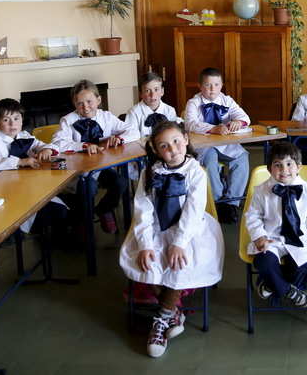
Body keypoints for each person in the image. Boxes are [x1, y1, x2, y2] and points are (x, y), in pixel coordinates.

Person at [119, 121, 224, 358]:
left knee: (180, 262)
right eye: (164, 146)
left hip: (190, 229)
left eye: (176, 142)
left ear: (186, 140)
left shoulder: (195, 171)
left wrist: (179, 242)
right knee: (146, 260)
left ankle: (161, 319)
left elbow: (194, 210)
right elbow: (142, 210)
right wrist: (145, 244)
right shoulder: (149, 173)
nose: (173, 149)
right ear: (156, 150)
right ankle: (174, 312)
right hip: (156, 228)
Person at [244, 142, 307, 308]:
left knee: (303, 265)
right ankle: (288, 291)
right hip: (270, 238)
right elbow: (253, 216)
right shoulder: (261, 190)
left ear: (298, 167)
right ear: (269, 169)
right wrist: (259, 236)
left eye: (289, 164)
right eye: (278, 165)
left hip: (298, 238)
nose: (284, 170)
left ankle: (271, 285)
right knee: (263, 262)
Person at [52, 79, 140, 234]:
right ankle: (83, 221)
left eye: (89, 101)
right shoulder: (68, 120)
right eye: (80, 103)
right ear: (74, 103)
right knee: (88, 187)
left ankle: (104, 209)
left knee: (120, 182)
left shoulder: (106, 117)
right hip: (79, 171)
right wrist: (83, 146)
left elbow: (133, 131)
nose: (85, 107)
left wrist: (120, 139)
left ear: (98, 100)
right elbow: (58, 143)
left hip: (101, 167)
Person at [0, 98, 67, 234]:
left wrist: (47, 150)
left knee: (61, 208)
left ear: (22, 120)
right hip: (5, 193)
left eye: (16, 118)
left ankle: (52, 238)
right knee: (53, 213)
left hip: (28, 187)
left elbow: (42, 145)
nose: (12, 124)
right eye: (6, 120)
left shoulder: (24, 135)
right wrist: (20, 162)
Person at [184, 67, 251, 224]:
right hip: (205, 145)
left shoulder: (227, 100)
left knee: (242, 157)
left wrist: (237, 122)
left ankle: (232, 202)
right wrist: (212, 128)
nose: (212, 89)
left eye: (216, 84)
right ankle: (218, 200)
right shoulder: (193, 103)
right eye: (207, 85)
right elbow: (190, 124)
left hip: (226, 144)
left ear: (221, 85)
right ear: (200, 86)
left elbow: (245, 117)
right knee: (210, 161)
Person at [125, 72, 180, 138]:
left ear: (162, 91)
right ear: (141, 94)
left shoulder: (170, 111)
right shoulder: (133, 113)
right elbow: (131, 137)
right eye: (147, 91)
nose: (152, 95)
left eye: (156, 89)